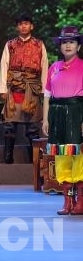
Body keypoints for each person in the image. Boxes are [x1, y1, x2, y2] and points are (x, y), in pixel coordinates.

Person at [42, 26, 83, 215]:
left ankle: (80, 202)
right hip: (57, 114)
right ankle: (67, 201)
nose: (68, 45)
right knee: (61, 156)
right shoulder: (54, 67)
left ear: (78, 46)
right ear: (60, 46)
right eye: (65, 42)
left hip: (76, 112)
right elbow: (47, 96)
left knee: (78, 156)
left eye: (72, 42)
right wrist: (45, 119)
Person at [0, 13, 48, 164]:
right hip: (14, 89)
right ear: (17, 27)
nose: (23, 26)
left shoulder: (39, 45)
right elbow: (4, 65)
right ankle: (8, 158)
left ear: (31, 26)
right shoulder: (10, 44)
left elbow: (44, 66)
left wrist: (44, 90)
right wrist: (3, 88)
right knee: (9, 125)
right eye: (20, 24)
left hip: (32, 89)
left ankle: (35, 161)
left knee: (32, 127)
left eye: (26, 23)